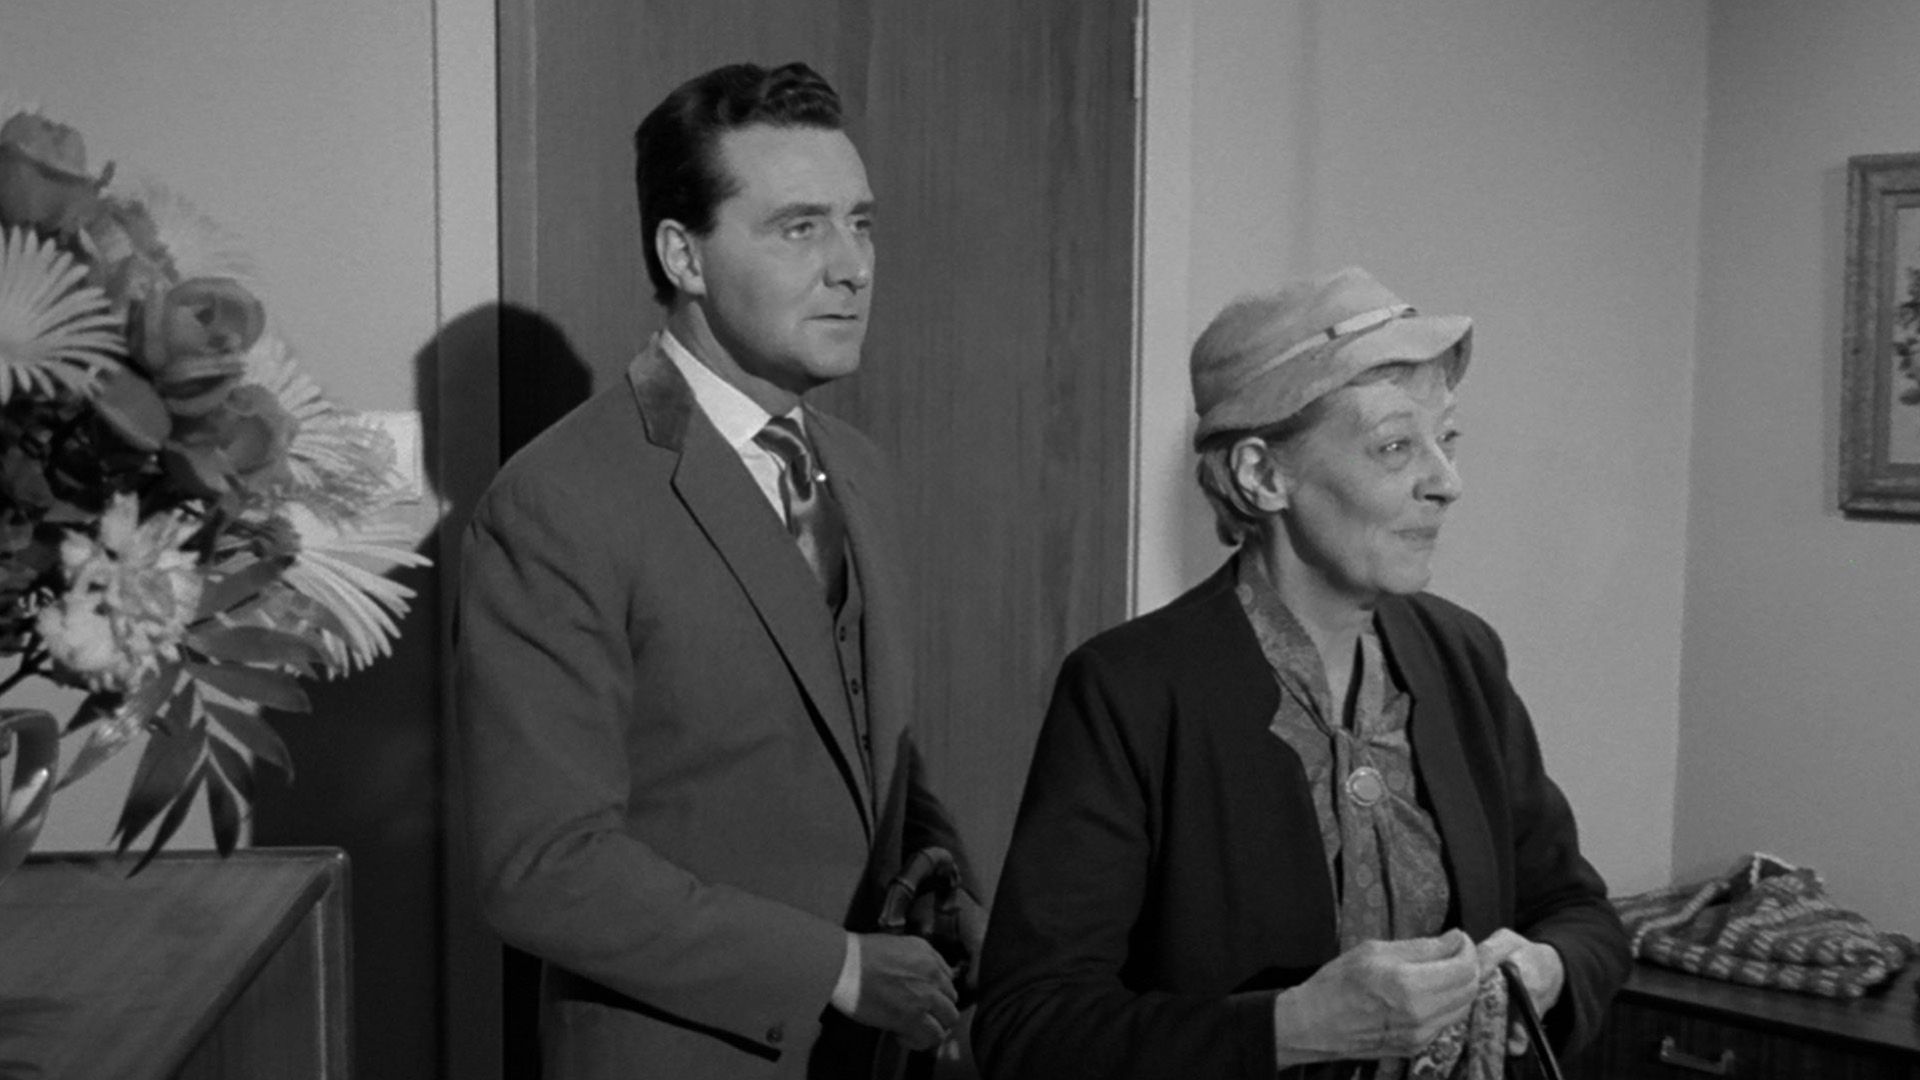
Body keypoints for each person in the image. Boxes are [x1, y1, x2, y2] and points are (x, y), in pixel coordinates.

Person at [972, 267, 1631, 1079]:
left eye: (1447, 440)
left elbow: (1578, 913)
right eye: (1395, 446)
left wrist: (1545, 968)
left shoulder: (1464, 657)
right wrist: (1294, 1027)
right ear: (1263, 475)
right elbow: (1028, 1029)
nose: (1446, 483)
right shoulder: (1129, 691)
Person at [457, 61, 982, 1079]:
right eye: (800, 228)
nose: (851, 267)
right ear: (682, 256)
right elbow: (542, 867)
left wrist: (955, 903)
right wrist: (836, 968)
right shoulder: (557, 501)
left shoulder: (860, 470)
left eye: (861, 223)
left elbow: (869, 751)